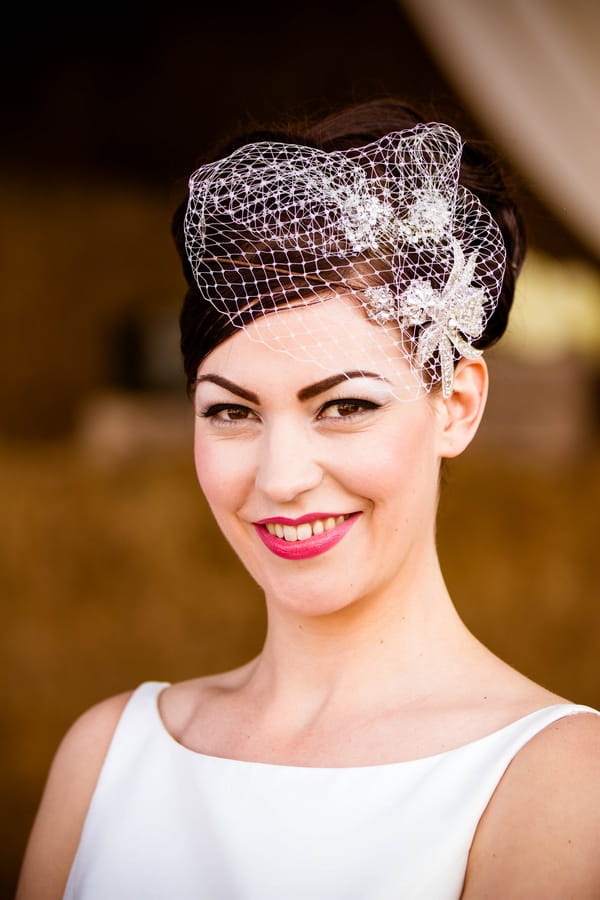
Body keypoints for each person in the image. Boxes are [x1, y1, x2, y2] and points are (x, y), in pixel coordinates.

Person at [16, 99, 600, 899]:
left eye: (345, 405)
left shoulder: (559, 782)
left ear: (456, 405)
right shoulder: (107, 755)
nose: (281, 476)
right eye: (231, 411)